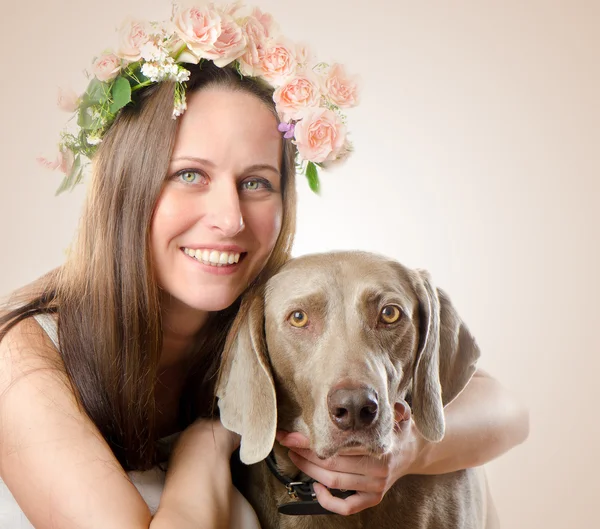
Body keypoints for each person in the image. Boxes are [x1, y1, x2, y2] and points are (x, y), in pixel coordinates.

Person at [0, 3, 529, 528]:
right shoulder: (22, 358)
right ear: (126, 187)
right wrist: (205, 446)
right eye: (190, 175)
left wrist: (409, 450)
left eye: (255, 183)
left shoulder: (272, 303)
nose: (229, 218)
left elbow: (506, 410)